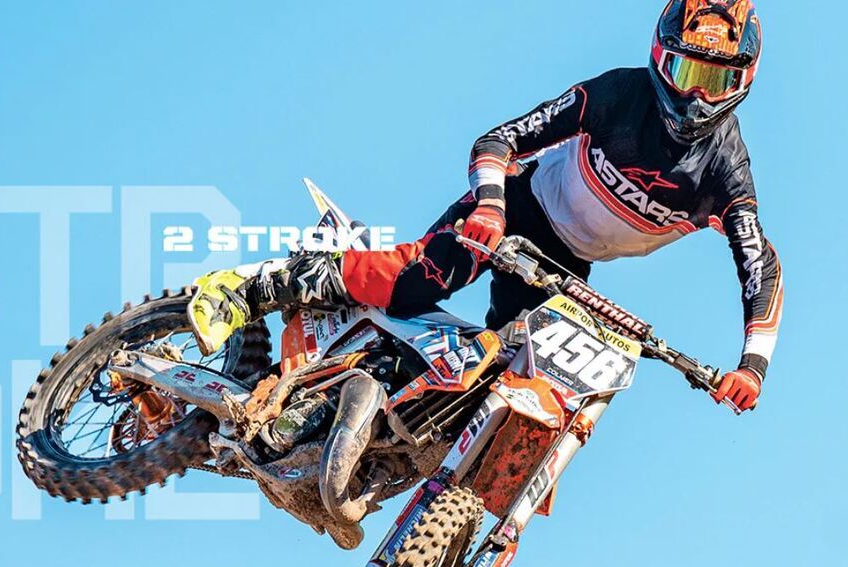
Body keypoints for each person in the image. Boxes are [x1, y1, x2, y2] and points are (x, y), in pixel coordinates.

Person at [189, 0, 780, 412]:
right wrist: (491, 206)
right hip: (517, 209)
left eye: (714, 79)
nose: (695, 95)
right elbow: (499, 141)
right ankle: (249, 289)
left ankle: (389, 430)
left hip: (566, 270)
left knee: (514, 386)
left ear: (742, 82)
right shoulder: (620, 94)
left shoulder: (726, 172)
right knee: (419, 280)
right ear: (659, 57)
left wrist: (751, 366)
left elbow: (761, 266)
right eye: (686, 69)